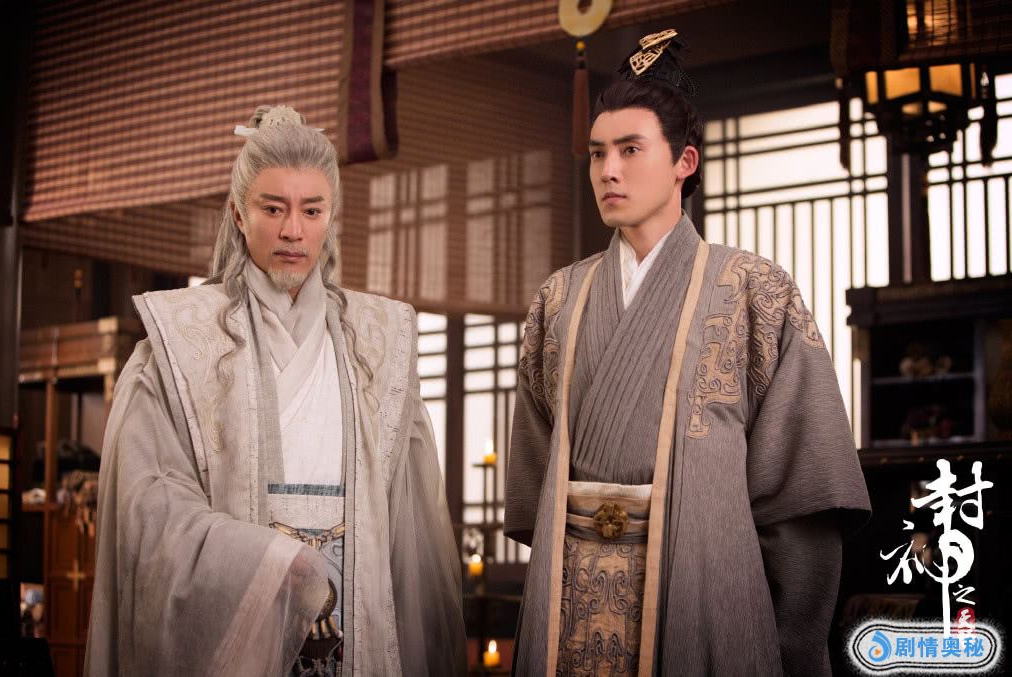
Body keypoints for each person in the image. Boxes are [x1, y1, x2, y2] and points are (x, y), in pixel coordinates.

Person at [505, 31, 870, 676]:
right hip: (570, 598)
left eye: (630, 149)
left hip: (706, 592)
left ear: (684, 161)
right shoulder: (558, 299)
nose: (608, 170)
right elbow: (534, 482)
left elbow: (801, 492)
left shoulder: (755, 292)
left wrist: (792, 641)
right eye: (597, 153)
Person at [86, 105, 466, 676]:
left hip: (356, 620)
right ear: (238, 214)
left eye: (312, 210)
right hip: (238, 626)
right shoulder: (181, 341)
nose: (293, 230)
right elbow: (149, 509)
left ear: (330, 216)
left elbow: (411, 534)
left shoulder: (378, 339)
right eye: (273, 208)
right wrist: (269, 564)